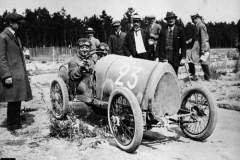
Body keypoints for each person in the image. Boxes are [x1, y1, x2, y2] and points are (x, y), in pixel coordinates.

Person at [0, 13, 33, 130]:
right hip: (11, 74)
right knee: (13, 100)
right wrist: (6, 75)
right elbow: (1, 58)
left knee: (17, 99)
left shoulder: (16, 37)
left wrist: (25, 73)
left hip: (18, 74)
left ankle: (14, 121)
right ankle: (13, 125)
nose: (19, 25)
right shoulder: (3, 37)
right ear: (10, 23)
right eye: (18, 23)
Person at [186, 14, 211, 81]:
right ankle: (194, 75)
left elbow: (203, 38)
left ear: (197, 18)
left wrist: (203, 49)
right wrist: (188, 41)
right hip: (198, 45)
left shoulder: (201, 25)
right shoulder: (198, 25)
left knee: (203, 61)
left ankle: (207, 77)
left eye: (193, 19)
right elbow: (195, 37)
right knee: (192, 59)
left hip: (202, 45)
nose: (192, 21)